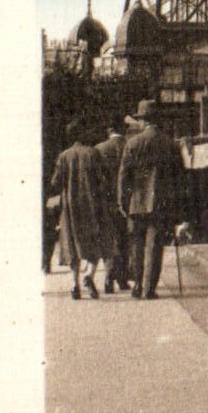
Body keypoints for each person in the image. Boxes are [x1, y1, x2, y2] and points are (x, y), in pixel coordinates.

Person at [117, 100, 185, 299]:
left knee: (137, 246)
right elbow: (180, 178)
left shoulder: (133, 143)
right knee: (155, 246)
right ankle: (149, 288)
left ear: (142, 121)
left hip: (136, 202)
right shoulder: (170, 143)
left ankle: (137, 285)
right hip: (161, 203)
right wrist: (178, 206)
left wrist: (123, 201)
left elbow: (124, 175)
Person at [51, 117, 107, 299]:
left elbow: (55, 183)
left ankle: (74, 284)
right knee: (95, 242)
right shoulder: (93, 153)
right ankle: (89, 275)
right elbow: (102, 181)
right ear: (83, 135)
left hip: (70, 207)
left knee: (71, 245)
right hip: (92, 204)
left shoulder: (63, 156)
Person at [94, 120, 130, 292]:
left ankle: (108, 278)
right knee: (125, 240)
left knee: (109, 240)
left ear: (109, 129)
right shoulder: (130, 146)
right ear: (124, 129)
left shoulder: (99, 149)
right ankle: (122, 279)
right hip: (127, 201)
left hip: (106, 202)